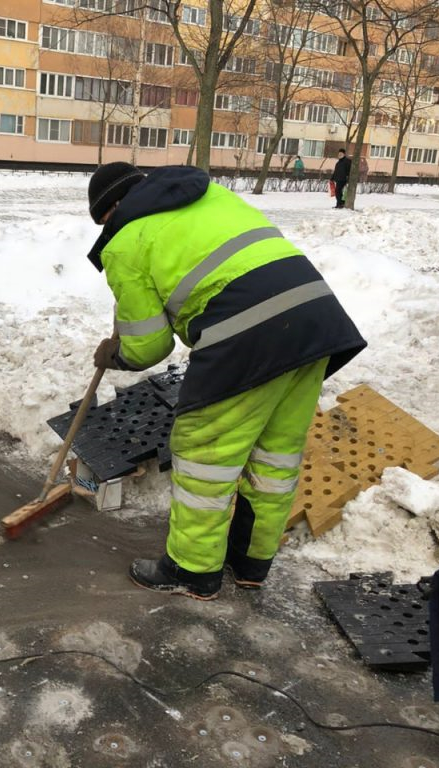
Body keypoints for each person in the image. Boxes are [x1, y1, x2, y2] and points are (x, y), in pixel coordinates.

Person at [86, 162, 365, 600]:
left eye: (105, 223)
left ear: (112, 210)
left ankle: (192, 569)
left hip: (249, 332)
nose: (108, 231)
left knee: (205, 454)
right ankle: (250, 561)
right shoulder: (210, 196)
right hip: (316, 323)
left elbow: (148, 347)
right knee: (274, 457)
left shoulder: (126, 242)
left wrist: (115, 353)